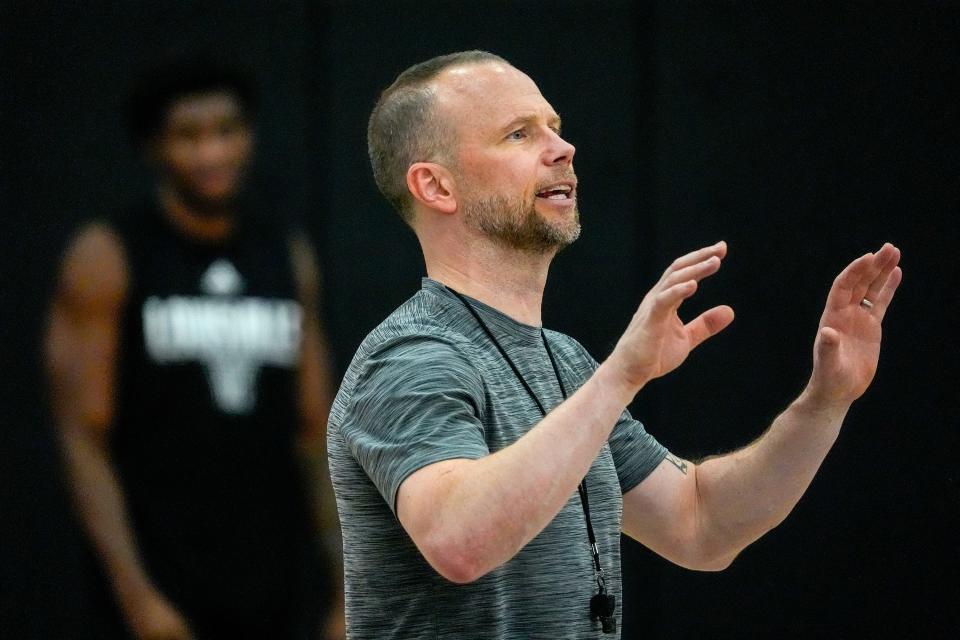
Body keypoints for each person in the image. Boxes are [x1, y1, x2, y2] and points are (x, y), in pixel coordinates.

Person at [327, 50, 903, 639]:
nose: (561, 148)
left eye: (556, 126)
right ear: (436, 185)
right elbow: (459, 542)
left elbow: (701, 524)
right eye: (519, 134)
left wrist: (825, 402)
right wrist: (621, 375)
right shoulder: (410, 356)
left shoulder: (568, 364)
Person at [45, 56, 344, 640]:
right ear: (154, 146)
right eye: (189, 136)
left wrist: (345, 588)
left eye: (227, 131)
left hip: (274, 582)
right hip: (160, 582)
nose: (212, 154)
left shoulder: (285, 254)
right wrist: (137, 599)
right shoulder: (109, 254)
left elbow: (315, 433)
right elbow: (84, 439)